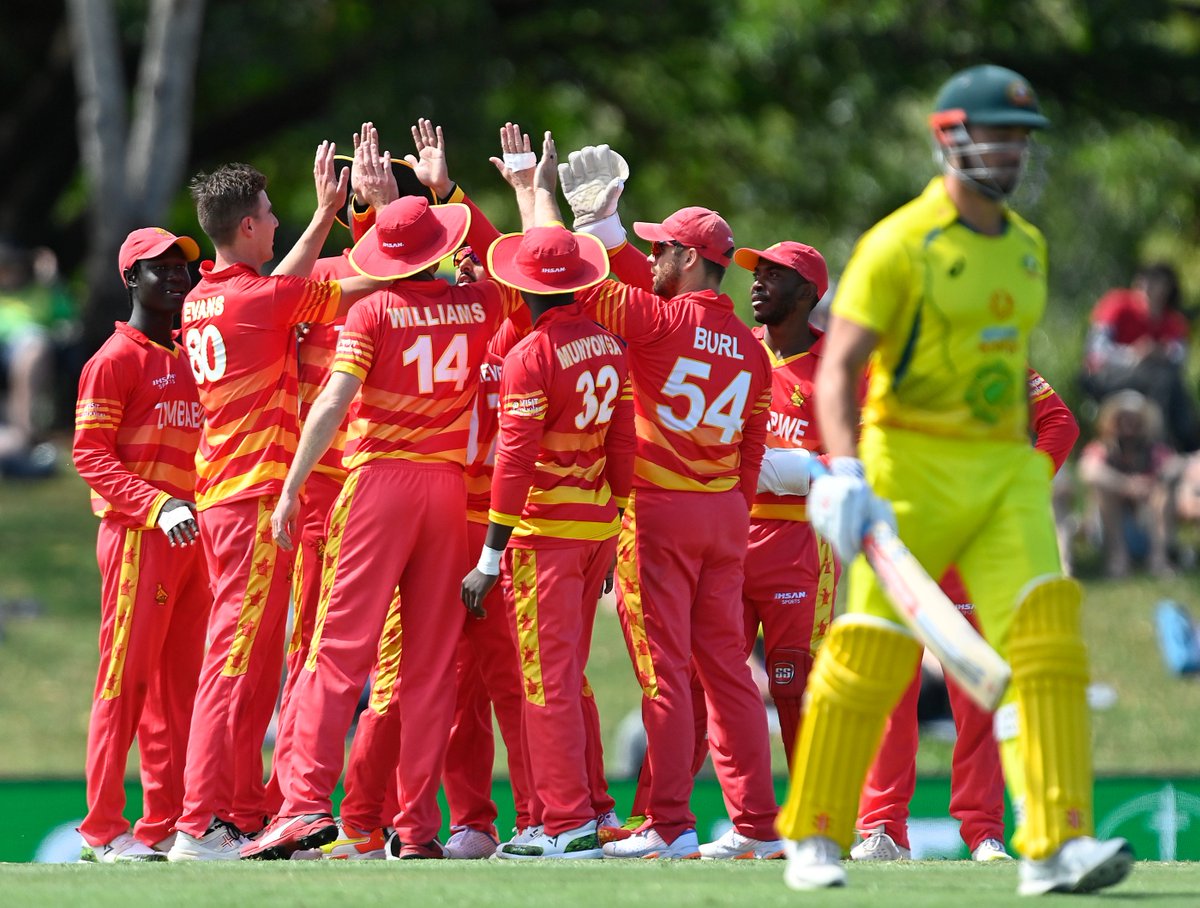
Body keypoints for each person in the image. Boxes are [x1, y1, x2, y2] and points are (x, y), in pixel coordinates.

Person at [779, 64, 1133, 896]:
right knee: (871, 646)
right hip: (910, 464)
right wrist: (841, 472)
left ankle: (1054, 843)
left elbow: (1010, 379)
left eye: (1020, 137)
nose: (1011, 151)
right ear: (950, 137)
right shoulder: (899, 244)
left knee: (1047, 637)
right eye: (995, 134)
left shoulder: (1028, 248)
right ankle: (819, 833)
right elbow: (840, 373)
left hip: (1003, 473)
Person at [247, 184, 524, 861]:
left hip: (378, 485)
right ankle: (419, 828)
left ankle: (305, 804)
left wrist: (291, 486)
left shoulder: (372, 310)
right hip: (447, 492)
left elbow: (334, 401)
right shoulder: (478, 302)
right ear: (440, 252)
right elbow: (517, 270)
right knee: (429, 669)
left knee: (335, 653)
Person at [550, 138, 783, 860]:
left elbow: (585, 289)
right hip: (722, 518)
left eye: (660, 253)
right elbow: (752, 451)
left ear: (688, 259)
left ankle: (671, 824)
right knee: (729, 677)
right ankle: (755, 828)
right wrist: (732, 509)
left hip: (659, 515)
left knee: (664, 674)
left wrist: (592, 222)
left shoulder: (658, 321)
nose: (651, 263)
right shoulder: (750, 346)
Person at [168, 144, 385, 861]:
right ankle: (198, 823)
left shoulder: (209, 295)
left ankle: (232, 812)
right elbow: (354, 286)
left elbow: (277, 291)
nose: (276, 220)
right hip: (254, 496)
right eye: (268, 213)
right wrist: (335, 213)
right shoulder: (259, 301)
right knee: (230, 666)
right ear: (251, 229)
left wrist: (324, 217)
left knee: (250, 664)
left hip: (222, 495)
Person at [460, 206, 635, 859]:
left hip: (545, 536)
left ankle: (565, 824)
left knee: (545, 681)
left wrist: (489, 553)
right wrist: (614, 526)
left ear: (529, 288)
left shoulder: (532, 353)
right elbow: (622, 448)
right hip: (594, 529)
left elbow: (516, 459)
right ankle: (583, 812)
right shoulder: (610, 345)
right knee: (569, 675)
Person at [854, 369, 1079, 864]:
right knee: (890, 691)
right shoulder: (877, 352)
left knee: (978, 694)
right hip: (896, 544)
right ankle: (881, 828)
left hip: (964, 546)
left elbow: (1060, 422)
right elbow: (832, 423)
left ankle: (984, 833)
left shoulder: (988, 348)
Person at [73, 227, 210, 861]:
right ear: (131, 279)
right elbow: (89, 455)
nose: (177, 278)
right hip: (138, 537)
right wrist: (156, 506)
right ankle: (102, 828)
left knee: (176, 693)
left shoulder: (191, 354)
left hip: (193, 542)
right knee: (123, 683)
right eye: (161, 270)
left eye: (182, 267)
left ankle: (162, 826)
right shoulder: (113, 360)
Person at [1082, 263, 1196, 451]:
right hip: (1106, 375)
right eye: (1146, 280)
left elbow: (1180, 358)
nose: (1150, 287)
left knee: (1168, 379)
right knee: (1161, 379)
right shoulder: (1118, 304)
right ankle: (1162, 445)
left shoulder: (1173, 321)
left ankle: (1179, 443)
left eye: (1157, 282)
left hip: (1151, 378)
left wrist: (1159, 353)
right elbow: (1096, 350)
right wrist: (1133, 355)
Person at [1078, 389, 1175, 577]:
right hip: (1109, 529)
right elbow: (1088, 471)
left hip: (1147, 523)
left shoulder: (1153, 450)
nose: (1128, 423)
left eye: (1134, 418)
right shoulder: (1104, 448)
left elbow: (1173, 467)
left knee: (1162, 491)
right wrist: (1127, 485)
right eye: (1123, 417)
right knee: (1105, 489)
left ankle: (1158, 557)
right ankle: (1118, 559)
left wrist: (1150, 484)